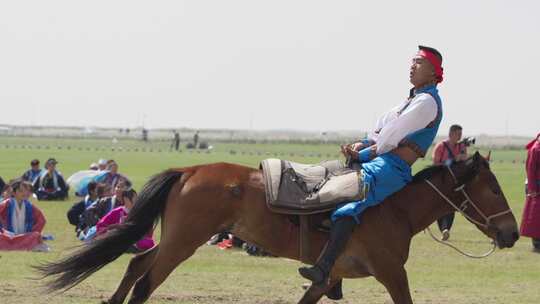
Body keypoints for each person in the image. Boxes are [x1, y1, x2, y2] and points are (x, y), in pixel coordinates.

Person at [299, 45, 444, 285]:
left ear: (433, 73)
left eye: (419, 63)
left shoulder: (427, 102)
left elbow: (390, 137)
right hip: (380, 159)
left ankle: (325, 269)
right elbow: (379, 131)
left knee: (347, 204)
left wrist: (363, 155)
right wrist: (360, 144)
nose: (412, 66)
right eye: (412, 61)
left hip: (391, 168)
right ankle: (336, 278)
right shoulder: (409, 101)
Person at [431, 124, 468, 240]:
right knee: (439, 205)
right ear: (451, 134)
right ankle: (443, 229)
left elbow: (464, 163)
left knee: (452, 205)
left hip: (455, 181)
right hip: (441, 180)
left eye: (461, 134)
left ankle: (446, 229)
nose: (460, 137)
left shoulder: (461, 147)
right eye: (458, 134)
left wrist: (463, 158)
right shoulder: (440, 146)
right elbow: (436, 164)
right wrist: (453, 160)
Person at [95, 188, 155, 252]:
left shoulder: (140, 212)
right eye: (135, 198)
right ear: (126, 199)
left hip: (136, 240)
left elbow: (148, 231)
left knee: (148, 243)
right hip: (119, 239)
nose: (137, 201)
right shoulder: (117, 212)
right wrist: (113, 229)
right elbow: (100, 225)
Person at [0, 180, 48, 251]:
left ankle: (13, 246)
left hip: (24, 235)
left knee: (36, 235)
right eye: (20, 191)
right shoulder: (6, 204)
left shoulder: (29, 206)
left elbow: (41, 220)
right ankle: (22, 246)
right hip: (7, 236)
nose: (24, 193)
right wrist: (2, 230)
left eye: (26, 191)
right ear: (14, 192)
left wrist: (32, 231)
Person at [520, 133, 540, 251]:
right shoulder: (536, 148)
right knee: (535, 217)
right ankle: (537, 244)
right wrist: (532, 189)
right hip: (536, 187)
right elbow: (530, 169)